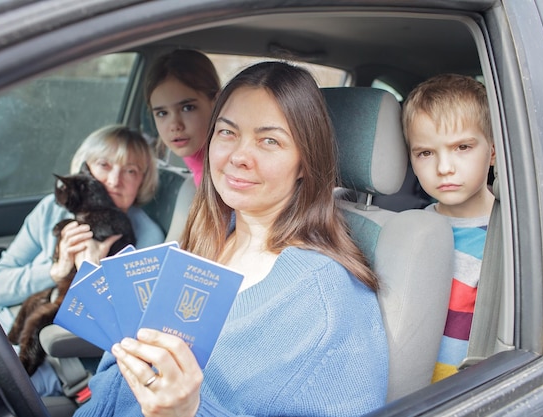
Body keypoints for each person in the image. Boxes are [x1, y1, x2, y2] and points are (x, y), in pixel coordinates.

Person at [76, 61, 388, 417]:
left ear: (305, 162)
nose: (239, 156)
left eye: (269, 140)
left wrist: (186, 412)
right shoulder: (204, 241)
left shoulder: (328, 299)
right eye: (227, 133)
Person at [0, 124, 165, 396]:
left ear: (142, 182)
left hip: (53, 355)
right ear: (83, 169)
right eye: (104, 165)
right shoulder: (50, 210)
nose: (115, 180)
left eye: (131, 171)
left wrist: (90, 273)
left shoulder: (146, 235)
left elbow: (124, 329)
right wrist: (55, 271)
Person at [401, 74, 496, 383]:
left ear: (493, 151)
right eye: (426, 153)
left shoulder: (509, 239)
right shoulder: (412, 228)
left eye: (462, 147)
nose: (444, 168)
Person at [144, 49, 220, 187]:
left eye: (187, 108)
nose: (175, 125)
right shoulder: (199, 161)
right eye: (162, 113)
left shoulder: (229, 169)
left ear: (216, 101)